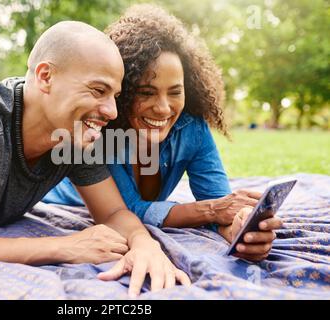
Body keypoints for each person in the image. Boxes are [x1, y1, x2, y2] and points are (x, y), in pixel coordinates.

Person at [0, 21, 190, 297]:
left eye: (114, 96)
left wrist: (145, 245)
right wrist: (61, 246)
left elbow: (113, 212)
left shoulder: (74, 136)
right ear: (45, 76)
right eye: (98, 90)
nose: (111, 111)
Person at [43, 5, 282, 262]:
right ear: (122, 92)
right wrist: (210, 210)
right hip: (63, 200)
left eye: (175, 92)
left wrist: (239, 229)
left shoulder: (192, 130)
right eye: (146, 92)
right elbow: (127, 210)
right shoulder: (101, 131)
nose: (163, 108)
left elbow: (219, 204)